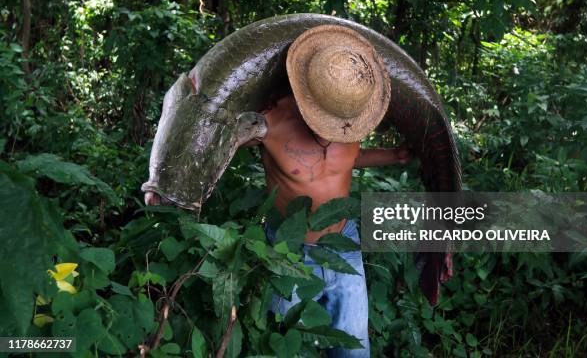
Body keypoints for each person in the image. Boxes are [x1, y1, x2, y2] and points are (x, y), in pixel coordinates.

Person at [146, 25, 411, 357]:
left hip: (344, 243)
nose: (333, 129)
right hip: (289, 251)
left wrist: (392, 156)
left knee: (353, 348)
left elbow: (345, 160)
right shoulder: (270, 121)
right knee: (283, 345)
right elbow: (208, 131)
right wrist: (168, 184)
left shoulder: (350, 114)